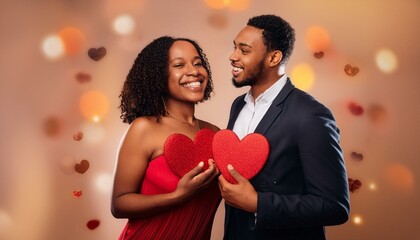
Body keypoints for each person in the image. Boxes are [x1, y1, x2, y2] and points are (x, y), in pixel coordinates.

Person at [218, 14, 350, 239]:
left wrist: (257, 203)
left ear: (274, 58)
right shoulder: (238, 105)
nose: (233, 56)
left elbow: (334, 206)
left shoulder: (310, 115)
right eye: (234, 48)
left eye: (244, 50)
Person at [111, 36, 221, 240]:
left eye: (198, 63)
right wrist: (177, 196)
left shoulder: (215, 134)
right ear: (159, 76)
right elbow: (119, 204)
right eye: (179, 65)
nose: (194, 71)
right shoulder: (145, 128)